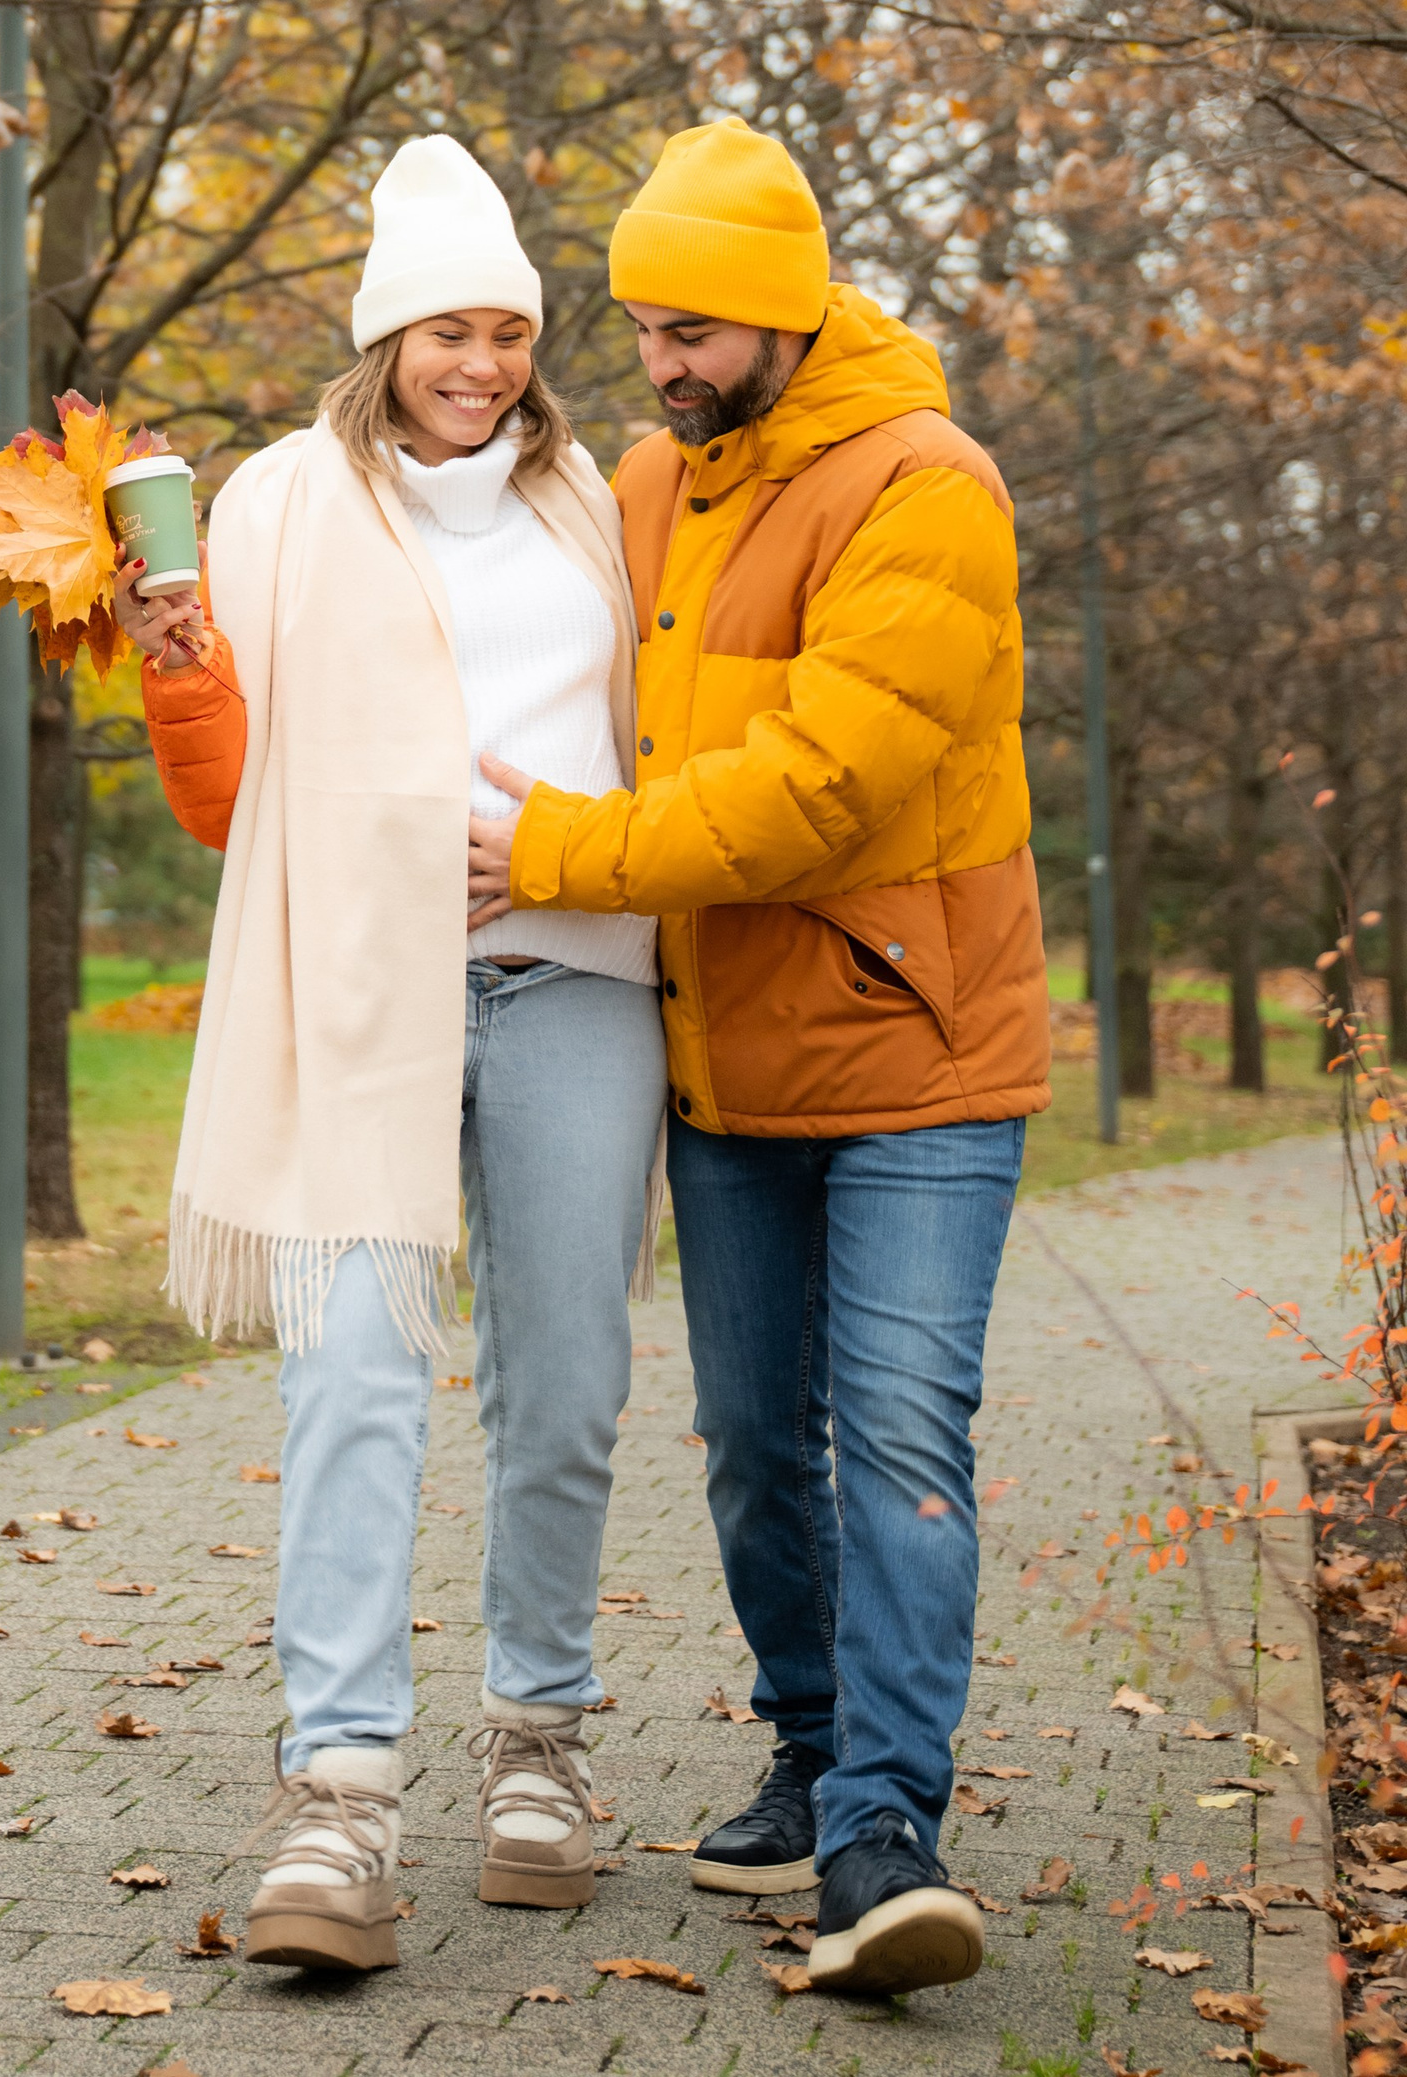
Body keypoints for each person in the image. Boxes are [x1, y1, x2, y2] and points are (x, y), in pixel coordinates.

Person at [465, 119, 1049, 2000]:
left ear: (789, 311)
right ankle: (810, 1744)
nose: (662, 362)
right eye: (642, 326)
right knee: (747, 1449)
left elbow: (822, 786)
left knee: (899, 1433)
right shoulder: (649, 482)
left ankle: (885, 1824)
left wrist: (555, 849)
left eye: (696, 329)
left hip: (921, 1055)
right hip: (726, 1059)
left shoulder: (927, 482)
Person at [114, 134, 665, 1978]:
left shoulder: (593, 502)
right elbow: (224, 796)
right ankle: (339, 1790)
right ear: (386, 340)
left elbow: (652, 737)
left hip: (574, 974)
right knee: (350, 1371)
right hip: (361, 984)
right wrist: (177, 662)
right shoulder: (278, 502)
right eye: (450, 331)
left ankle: (539, 1747)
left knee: (565, 1381)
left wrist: (582, 859)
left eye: (509, 332)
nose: (483, 365)